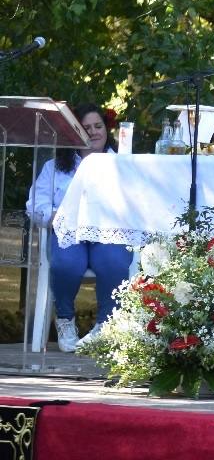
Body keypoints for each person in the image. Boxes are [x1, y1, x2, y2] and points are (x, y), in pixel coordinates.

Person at [26, 103, 133, 352]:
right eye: (86, 128)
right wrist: (57, 216)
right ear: (74, 132)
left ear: (107, 130)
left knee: (115, 263)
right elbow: (36, 204)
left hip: (107, 232)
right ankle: (65, 319)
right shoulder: (54, 167)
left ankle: (106, 325)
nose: (94, 132)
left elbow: (136, 203)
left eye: (98, 126)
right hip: (69, 230)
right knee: (66, 264)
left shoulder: (124, 165)